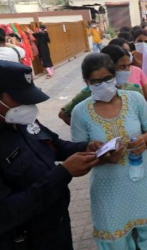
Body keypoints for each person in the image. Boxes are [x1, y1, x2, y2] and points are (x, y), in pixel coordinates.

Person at [0, 60, 115, 250]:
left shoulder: (19, 119)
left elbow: (54, 144)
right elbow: (5, 213)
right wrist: (63, 173)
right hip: (25, 240)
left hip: (57, 225)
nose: (28, 105)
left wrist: (87, 147)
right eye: (20, 98)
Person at [70, 53, 147, 250]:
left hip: (142, 177)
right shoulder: (80, 112)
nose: (102, 85)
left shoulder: (135, 99)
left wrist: (144, 140)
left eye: (107, 79)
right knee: (114, 237)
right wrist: (101, 157)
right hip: (107, 187)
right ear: (86, 82)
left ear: (114, 77)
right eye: (95, 81)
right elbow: (79, 152)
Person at [58, 44, 145, 125]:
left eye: (128, 66)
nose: (127, 71)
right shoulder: (89, 93)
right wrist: (85, 130)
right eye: (122, 67)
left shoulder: (134, 90)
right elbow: (63, 113)